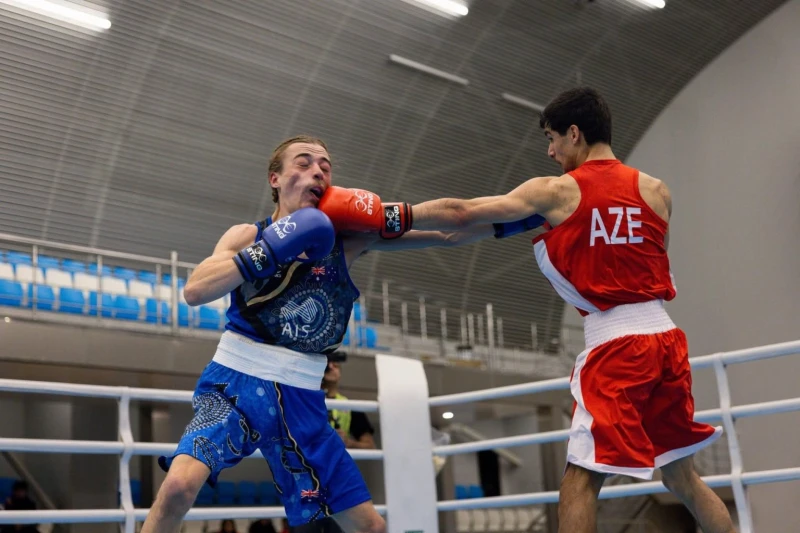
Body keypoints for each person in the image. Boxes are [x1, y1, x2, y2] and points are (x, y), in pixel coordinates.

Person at [142, 134, 545, 533]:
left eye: (325, 166)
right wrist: (272, 249)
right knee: (178, 486)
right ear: (275, 179)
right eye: (303, 162)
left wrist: (525, 213)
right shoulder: (246, 235)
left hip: (303, 398)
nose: (317, 170)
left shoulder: (347, 241)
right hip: (234, 384)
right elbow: (196, 290)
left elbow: (449, 228)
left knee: (370, 527)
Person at [387, 87, 736, 533]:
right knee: (682, 477)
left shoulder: (556, 192)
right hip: (666, 341)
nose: (550, 151)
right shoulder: (657, 191)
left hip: (616, 345)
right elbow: (650, 258)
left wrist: (384, 216)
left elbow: (460, 213)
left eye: (552, 138)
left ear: (575, 133)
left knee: (578, 482)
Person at [322, 351, 376, 451]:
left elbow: (370, 445)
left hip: (336, 461)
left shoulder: (348, 405)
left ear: (340, 373)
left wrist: (348, 442)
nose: (331, 368)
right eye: (327, 365)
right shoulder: (307, 400)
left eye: (335, 365)